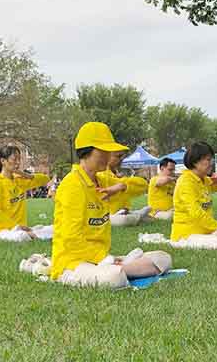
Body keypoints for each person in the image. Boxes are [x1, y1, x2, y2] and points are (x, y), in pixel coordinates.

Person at [51, 122, 172, 288]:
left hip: (101, 260)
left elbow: (142, 184)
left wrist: (121, 186)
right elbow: (72, 239)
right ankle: (119, 269)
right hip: (72, 263)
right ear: (87, 151)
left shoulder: (103, 180)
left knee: (163, 258)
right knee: (114, 278)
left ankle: (119, 268)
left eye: (109, 152)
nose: (108, 157)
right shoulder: (72, 185)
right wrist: (105, 259)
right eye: (103, 151)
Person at [170, 142, 217, 250]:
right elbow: (196, 213)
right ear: (195, 162)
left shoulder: (204, 179)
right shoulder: (186, 182)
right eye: (208, 160)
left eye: (211, 159)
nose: (211, 163)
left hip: (206, 231)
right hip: (186, 236)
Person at [0, 146, 53, 241]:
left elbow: (45, 179)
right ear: (3, 161)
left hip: (23, 229)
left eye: (19, 159)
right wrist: (17, 226)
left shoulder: (19, 180)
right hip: (3, 231)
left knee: (54, 229)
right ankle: (33, 235)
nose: (18, 162)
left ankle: (33, 234)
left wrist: (25, 175)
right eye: (14, 159)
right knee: (22, 236)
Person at [97, 150, 150, 227]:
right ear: (106, 157)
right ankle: (138, 215)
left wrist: (123, 185)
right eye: (118, 156)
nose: (121, 159)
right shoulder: (101, 175)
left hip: (121, 212)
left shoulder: (117, 176)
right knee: (123, 220)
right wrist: (122, 183)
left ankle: (135, 215)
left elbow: (144, 184)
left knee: (124, 218)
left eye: (122, 156)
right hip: (107, 215)